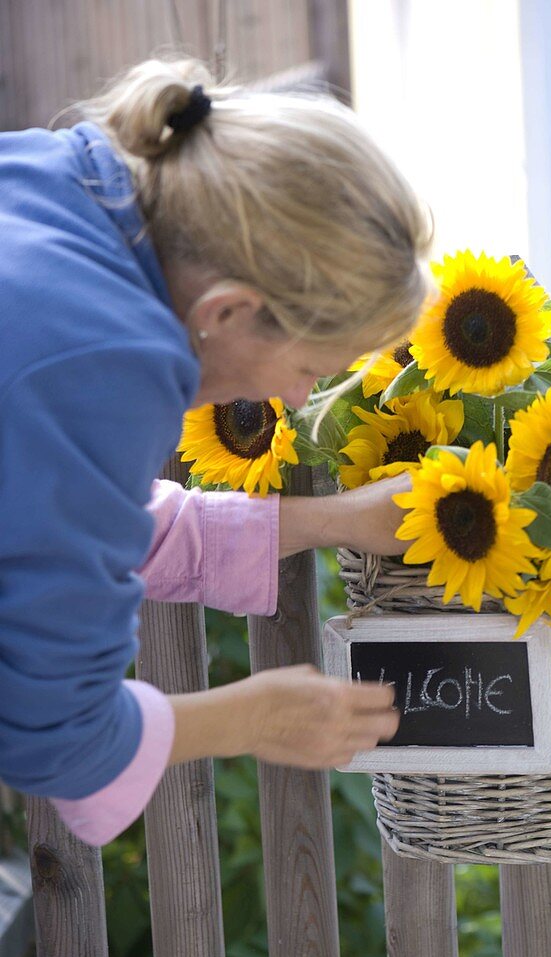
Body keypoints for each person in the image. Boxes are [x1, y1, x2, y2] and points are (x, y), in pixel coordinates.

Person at [0, 57, 433, 846]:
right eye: (309, 369)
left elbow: (52, 517)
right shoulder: (111, 357)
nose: (299, 401)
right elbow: (53, 733)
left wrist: (330, 520)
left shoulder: (51, 179)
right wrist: (254, 715)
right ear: (229, 310)